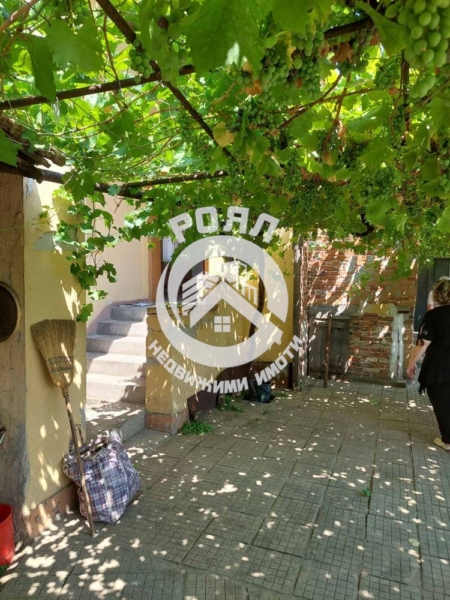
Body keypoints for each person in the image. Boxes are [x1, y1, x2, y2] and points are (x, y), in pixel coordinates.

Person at [407, 278, 450, 451]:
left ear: (437, 295)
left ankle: (448, 441)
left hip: (439, 367)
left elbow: (422, 343)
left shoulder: (433, 315)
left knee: (442, 402)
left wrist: (411, 363)